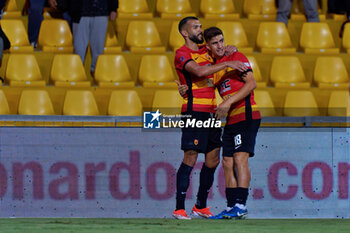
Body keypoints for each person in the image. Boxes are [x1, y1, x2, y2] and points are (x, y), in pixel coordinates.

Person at [178, 27, 261, 219]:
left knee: (240, 159)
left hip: (246, 114)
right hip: (231, 119)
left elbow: (251, 84)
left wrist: (227, 102)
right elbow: (201, 84)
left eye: (222, 41)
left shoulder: (237, 56)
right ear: (208, 46)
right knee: (226, 162)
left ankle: (241, 204)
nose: (221, 45)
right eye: (215, 43)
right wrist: (185, 90)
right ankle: (232, 206)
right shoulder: (215, 67)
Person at [56, 0, 118, 76]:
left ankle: (96, 74)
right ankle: (77, 74)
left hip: (101, 12)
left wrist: (114, 8)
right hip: (79, 13)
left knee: (98, 49)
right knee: (79, 49)